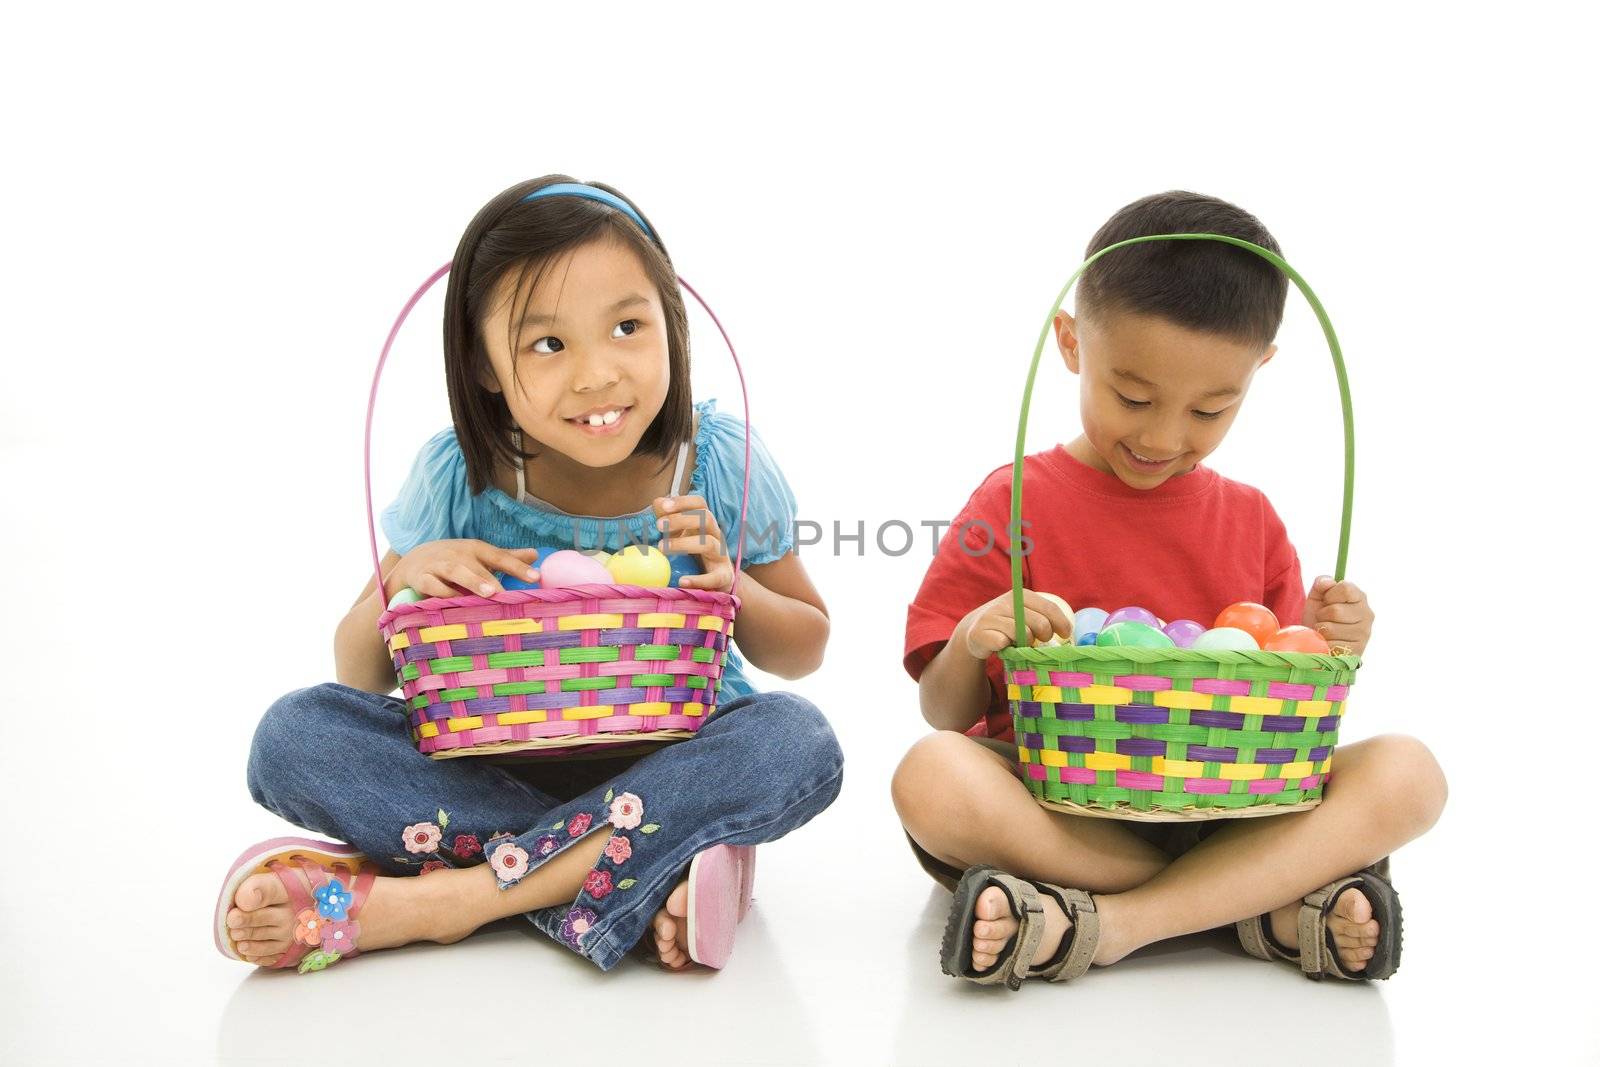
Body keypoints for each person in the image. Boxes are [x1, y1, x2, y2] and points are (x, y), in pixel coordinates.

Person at [216, 176, 842, 974]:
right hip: (491, 769)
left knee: (797, 739)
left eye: (626, 326)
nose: (595, 375)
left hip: (674, 757)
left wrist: (731, 585)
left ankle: (449, 901)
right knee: (292, 737)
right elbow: (358, 674)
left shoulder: (717, 460)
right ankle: (643, 866)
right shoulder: (460, 474)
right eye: (548, 344)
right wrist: (405, 572)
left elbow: (805, 648)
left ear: (673, 325)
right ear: (483, 364)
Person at [891, 191, 1446, 987]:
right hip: (1068, 814)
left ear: (1259, 372)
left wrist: (1336, 646)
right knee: (930, 775)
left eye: (1210, 409)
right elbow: (943, 713)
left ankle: (1104, 923)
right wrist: (978, 634)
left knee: (1411, 771)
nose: (1160, 437)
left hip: (1231, 806)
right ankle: (1260, 899)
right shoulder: (1012, 501)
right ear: (1072, 341)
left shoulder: (1252, 520)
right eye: (1133, 397)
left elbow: (1290, 730)